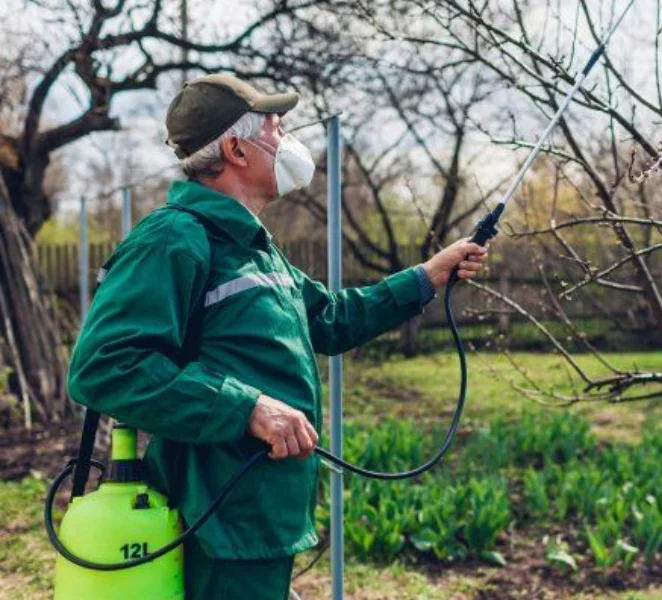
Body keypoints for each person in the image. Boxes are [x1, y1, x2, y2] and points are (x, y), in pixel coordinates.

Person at [67, 73, 489, 599]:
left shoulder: (252, 247)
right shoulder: (175, 238)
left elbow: (331, 319)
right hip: (218, 519)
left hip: (259, 517)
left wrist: (427, 277)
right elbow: (105, 365)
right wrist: (247, 408)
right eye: (275, 128)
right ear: (235, 149)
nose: (286, 140)